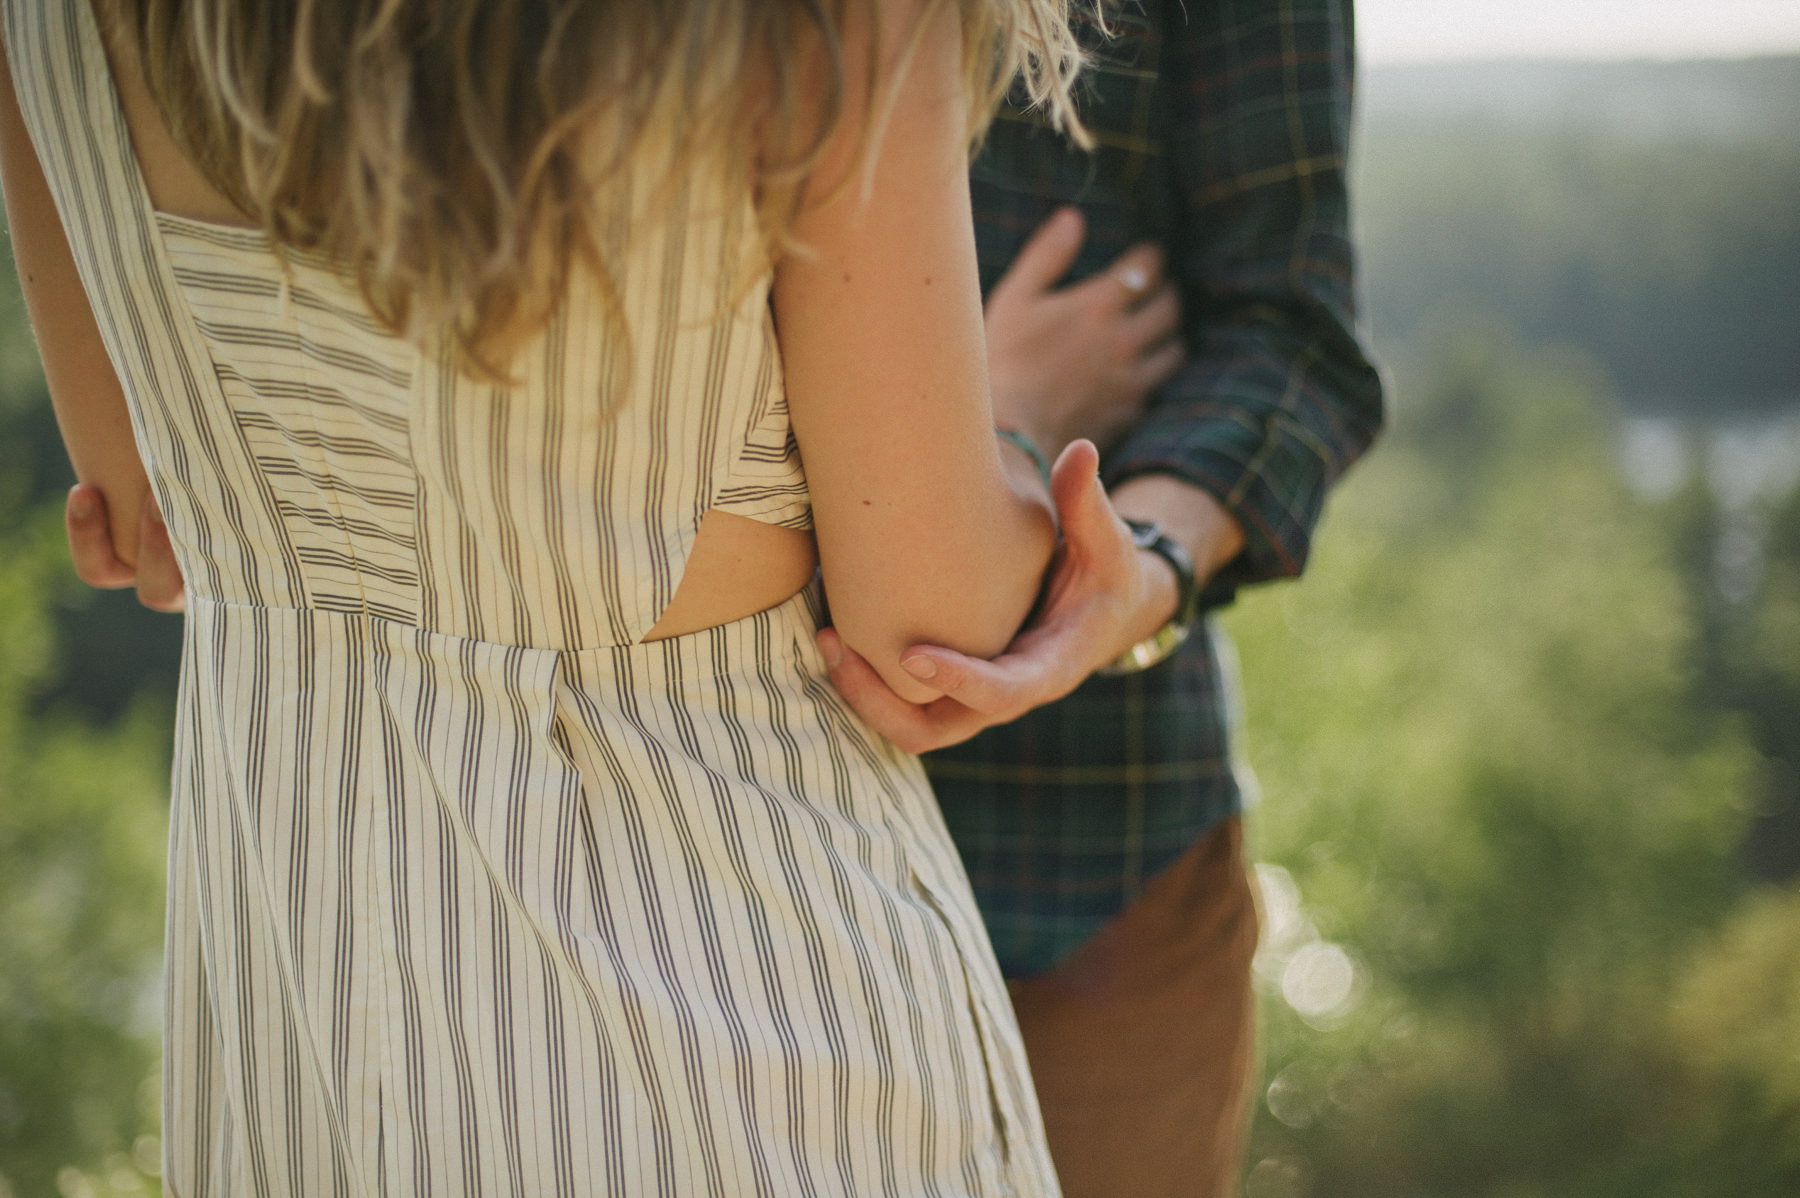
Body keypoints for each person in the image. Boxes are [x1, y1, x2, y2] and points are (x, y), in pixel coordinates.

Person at [0, 0, 1130, 1190]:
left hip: (292, 958)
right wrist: (1017, 418)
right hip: (740, 985)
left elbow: (139, 511)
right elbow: (933, 625)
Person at [819, 1, 1386, 1193]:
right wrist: (978, 423)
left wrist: (1141, 565)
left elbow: (1290, 333)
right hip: (716, 810)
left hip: (1093, 857)